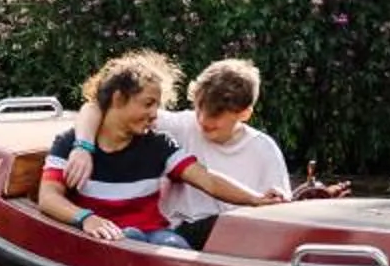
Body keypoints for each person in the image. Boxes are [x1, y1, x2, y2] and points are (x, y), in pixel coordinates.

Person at [37, 50, 276, 249]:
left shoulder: (159, 144)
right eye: (148, 104)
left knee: (175, 245)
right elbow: (48, 197)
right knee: (129, 239)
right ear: (119, 99)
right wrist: (86, 219)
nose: (155, 114)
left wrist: (255, 200)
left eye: (157, 106)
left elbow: (207, 180)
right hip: (106, 239)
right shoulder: (69, 144)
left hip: (154, 234)